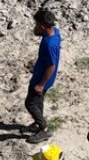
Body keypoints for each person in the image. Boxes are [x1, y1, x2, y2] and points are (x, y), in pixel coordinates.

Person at [23, 8, 61, 144]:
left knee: (30, 104)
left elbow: (51, 66)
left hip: (41, 78)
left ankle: (43, 128)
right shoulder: (55, 32)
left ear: (43, 26)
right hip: (46, 78)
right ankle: (39, 123)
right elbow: (36, 33)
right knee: (38, 102)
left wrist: (40, 84)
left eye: (36, 24)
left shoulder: (48, 44)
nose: (35, 26)